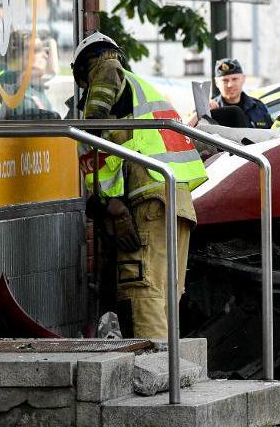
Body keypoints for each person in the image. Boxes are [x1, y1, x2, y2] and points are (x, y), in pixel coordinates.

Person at [72, 32, 208, 339]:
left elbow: (106, 67)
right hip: (174, 198)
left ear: (85, 67)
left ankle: (154, 373)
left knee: (143, 292)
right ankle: (170, 371)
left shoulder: (107, 70)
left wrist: (92, 121)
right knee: (164, 297)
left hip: (149, 199)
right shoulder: (139, 92)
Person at [209, 58, 273, 128]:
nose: (230, 85)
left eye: (234, 79)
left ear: (243, 79)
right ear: (216, 82)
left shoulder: (258, 107)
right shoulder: (211, 110)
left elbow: (272, 135)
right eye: (225, 81)